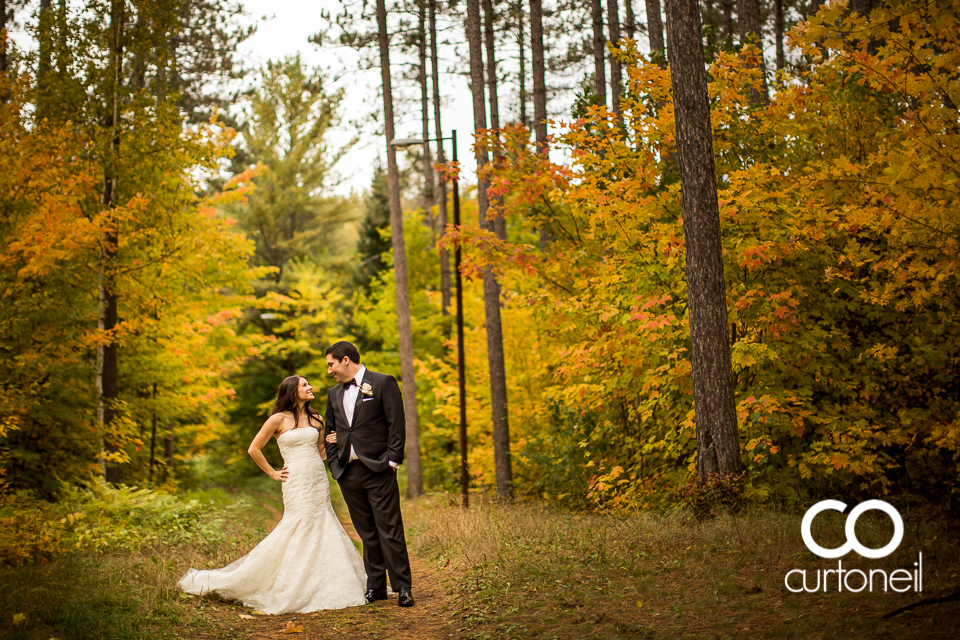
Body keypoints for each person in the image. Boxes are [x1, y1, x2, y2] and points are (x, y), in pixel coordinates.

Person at [177, 375, 367, 614]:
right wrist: (273, 473)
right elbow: (254, 448)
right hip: (295, 480)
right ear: (292, 391)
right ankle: (287, 583)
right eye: (305, 385)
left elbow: (320, 450)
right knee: (298, 524)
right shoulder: (278, 419)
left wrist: (334, 442)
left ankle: (326, 581)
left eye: (309, 384)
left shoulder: (316, 418)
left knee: (322, 522)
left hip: (317, 478)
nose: (310, 388)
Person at [323, 341, 414, 607]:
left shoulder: (383, 383)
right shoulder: (332, 394)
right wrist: (334, 465)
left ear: (346, 360)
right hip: (348, 472)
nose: (330, 371)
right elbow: (330, 433)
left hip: (379, 469)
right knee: (367, 532)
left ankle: (403, 587)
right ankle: (376, 587)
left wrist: (392, 462)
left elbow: (396, 423)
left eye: (331, 364)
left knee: (390, 529)